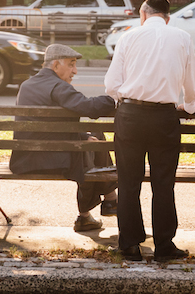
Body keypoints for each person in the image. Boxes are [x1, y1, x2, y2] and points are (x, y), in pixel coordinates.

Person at [104, 0, 195, 262]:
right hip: (164, 118)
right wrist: (189, 106)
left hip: (131, 116)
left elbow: (112, 85)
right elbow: (191, 83)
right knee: (163, 183)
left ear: (143, 14)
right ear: (167, 18)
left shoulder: (128, 36)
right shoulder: (182, 37)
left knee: (128, 182)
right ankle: (164, 245)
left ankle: (130, 245)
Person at [9, 43, 118, 232]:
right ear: (55, 65)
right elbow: (90, 108)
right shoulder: (58, 86)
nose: (75, 71)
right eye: (71, 64)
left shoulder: (27, 85)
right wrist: (114, 99)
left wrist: (82, 136)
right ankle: (108, 201)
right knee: (91, 146)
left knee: (92, 139)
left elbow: (46, 127)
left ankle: (101, 206)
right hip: (51, 159)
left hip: (24, 158)